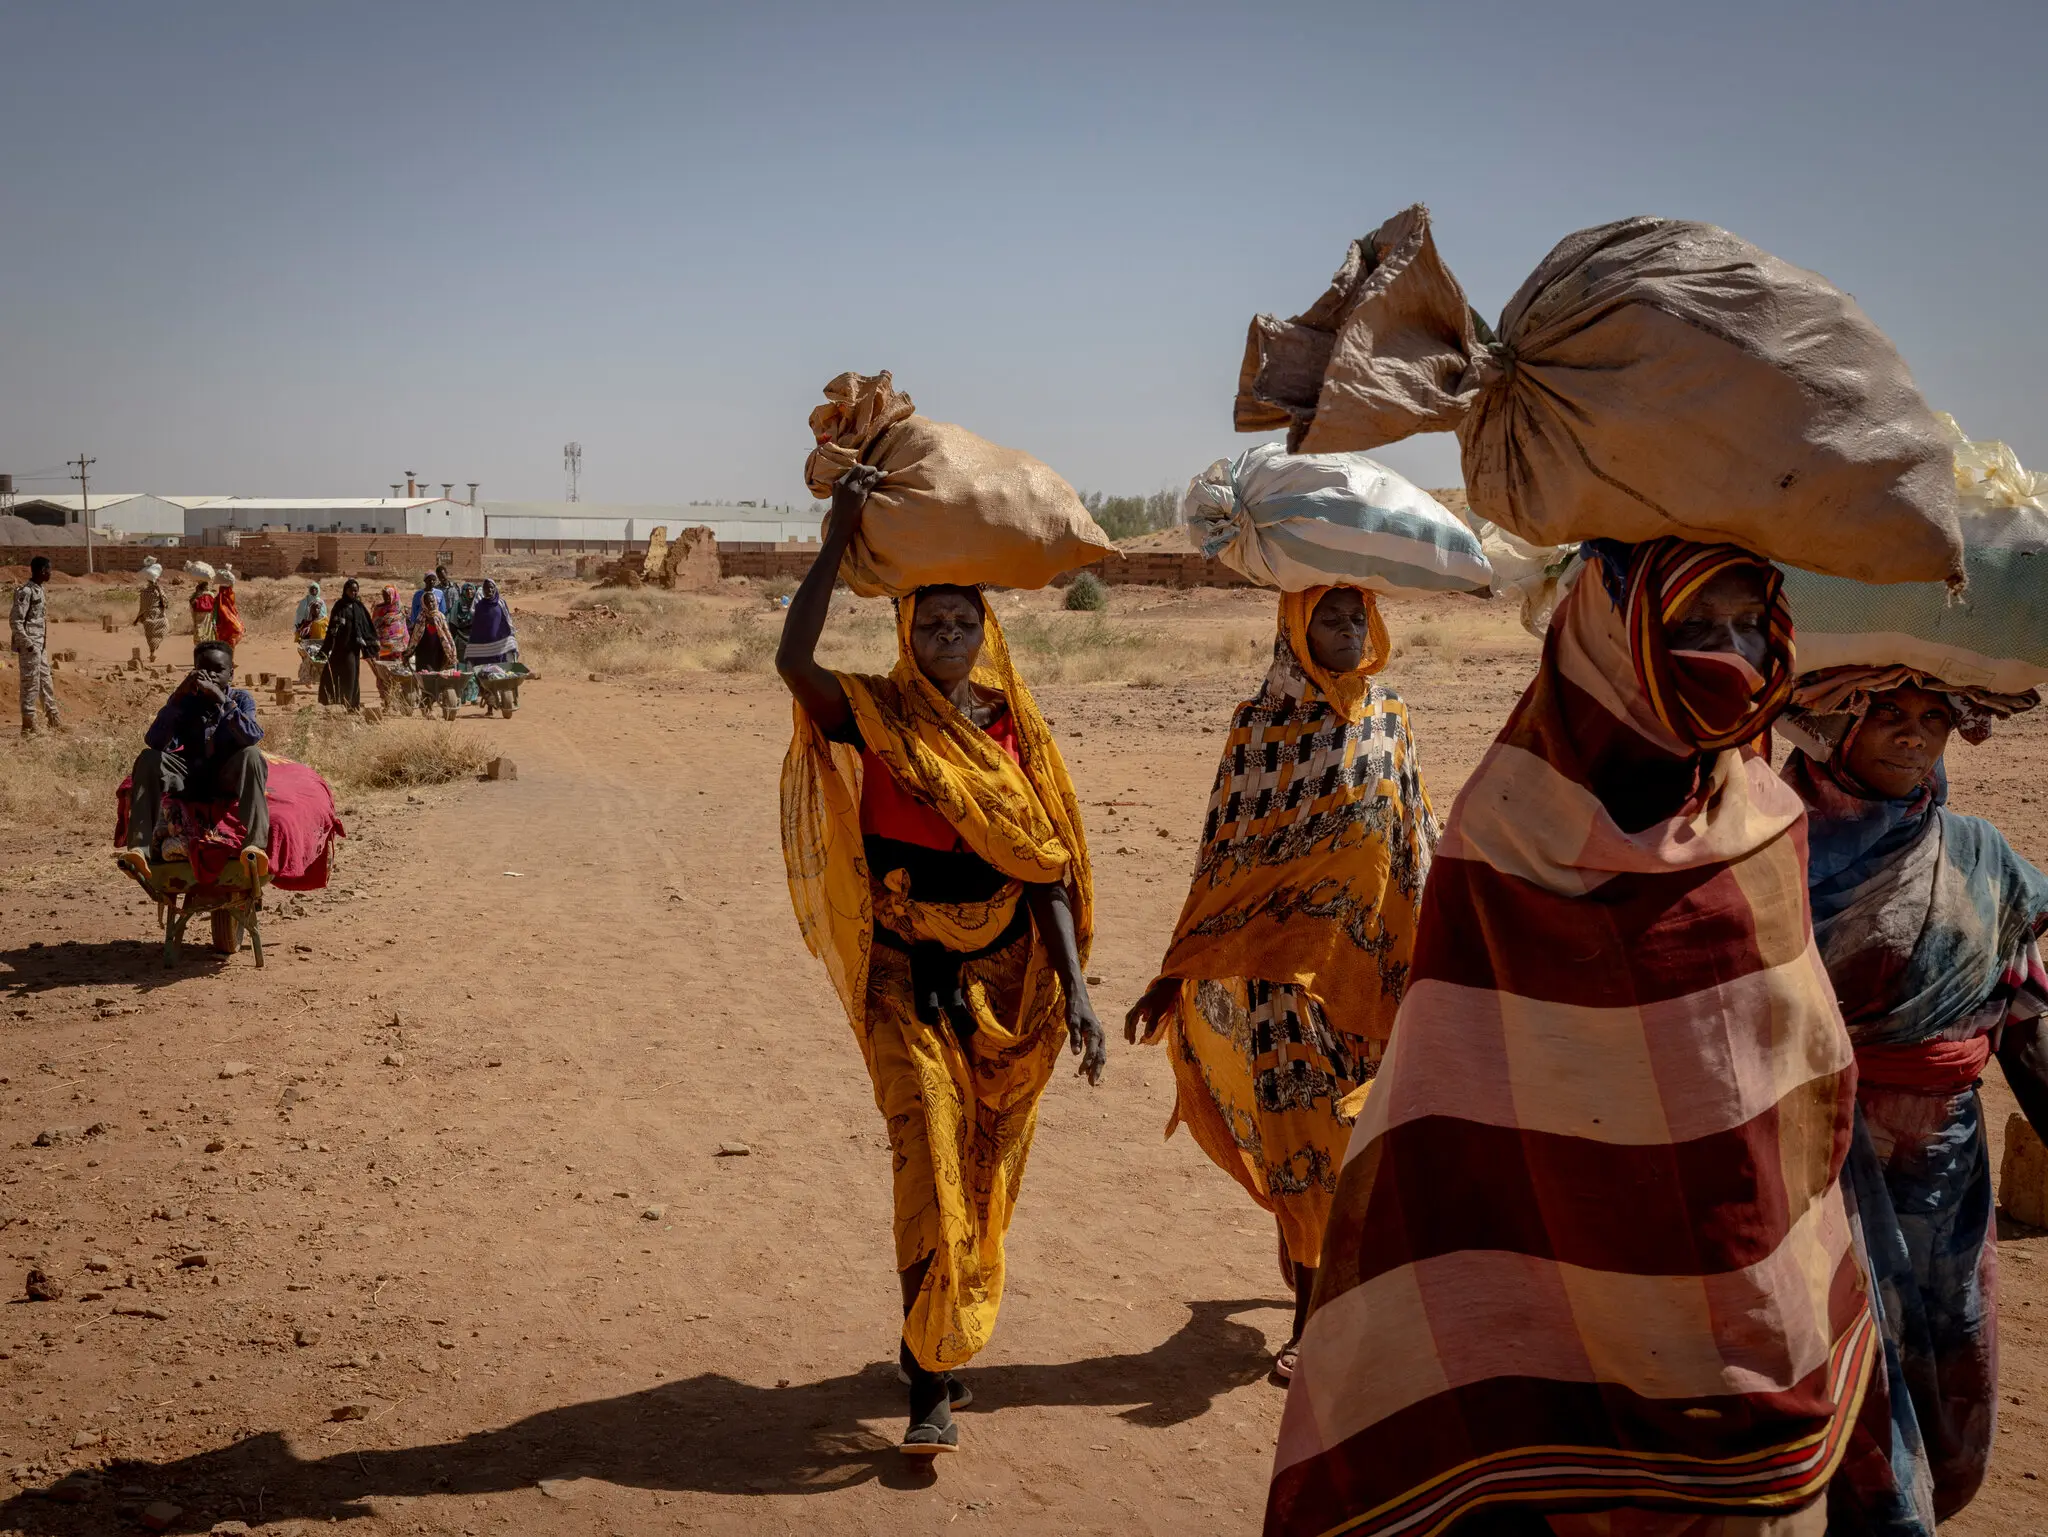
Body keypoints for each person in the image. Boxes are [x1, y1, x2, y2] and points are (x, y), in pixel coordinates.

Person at [1267, 539, 1871, 1537]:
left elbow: (1801, 1083)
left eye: (1746, 626)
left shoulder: (1766, 819)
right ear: (1607, 638)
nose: (1729, 657)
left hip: (1746, 1316)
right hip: (1546, 1289)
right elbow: (1450, 1099)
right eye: (1692, 627)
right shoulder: (1504, 833)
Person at [777, 465, 1107, 1456]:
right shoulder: (874, 714)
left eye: (964, 623)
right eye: (932, 624)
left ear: (986, 630)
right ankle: (928, 1380)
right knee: (926, 1151)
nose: (949, 638)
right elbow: (792, 659)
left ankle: (937, 1328)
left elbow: (1043, 866)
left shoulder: (1011, 729)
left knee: (982, 1166)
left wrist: (1078, 993)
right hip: (905, 976)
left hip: (1003, 981)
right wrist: (837, 533)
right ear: (905, 631)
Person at [1124, 583, 1437, 1382]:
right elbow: (1222, 860)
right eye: (1329, 616)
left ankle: (1320, 1262)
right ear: (1295, 629)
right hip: (1277, 983)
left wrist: (1438, 958)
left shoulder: (1391, 720)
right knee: (1304, 1142)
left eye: (1357, 615)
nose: (1348, 629)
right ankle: (1310, 1324)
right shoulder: (1257, 732)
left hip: (1368, 975)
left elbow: (1415, 841)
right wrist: (1173, 973)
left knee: (1354, 1146)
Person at [1780, 670, 2048, 1536]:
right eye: (1887, 713)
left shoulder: (1978, 854)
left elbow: (2022, 1012)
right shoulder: (1763, 854)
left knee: (1945, 1370)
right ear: (1832, 727)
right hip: (1807, 1169)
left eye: (1934, 716)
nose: (1914, 733)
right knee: (1835, 1377)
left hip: (1945, 1182)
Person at [116, 639, 267, 877]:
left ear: (231, 673)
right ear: (194, 671)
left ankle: (255, 846)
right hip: (190, 777)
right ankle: (139, 849)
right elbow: (155, 741)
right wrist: (178, 696)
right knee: (149, 758)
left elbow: (252, 736)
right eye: (204, 669)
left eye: (218, 670)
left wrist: (222, 701)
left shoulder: (240, 699)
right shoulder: (185, 701)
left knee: (252, 755)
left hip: (225, 778)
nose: (211, 676)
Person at [10, 554, 60, 736]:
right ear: (42, 571)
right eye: (49, 570)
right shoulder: (25, 591)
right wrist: (28, 645)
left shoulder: (39, 589)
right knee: (30, 685)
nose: (51, 573)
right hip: (30, 647)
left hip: (40, 646)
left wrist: (40, 646)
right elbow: (15, 621)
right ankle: (28, 726)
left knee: (46, 682)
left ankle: (54, 720)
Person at [319, 578, 376, 711]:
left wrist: (369, 645)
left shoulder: (359, 607)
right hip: (339, 647)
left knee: (351, 675)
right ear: (345, 590)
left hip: (353, 648)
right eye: (351, 591)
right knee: (334, 675)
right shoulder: (339, 605)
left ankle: (350, 705)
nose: (354, 593)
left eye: (356, 591)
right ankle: (334, 703)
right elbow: (332, 628)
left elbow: (366, 626)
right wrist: (327, 647)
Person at [465, 579, 518, 666]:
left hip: (500, 645)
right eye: (486, 588)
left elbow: (507, 621)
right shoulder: (479, 606)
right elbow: (476, 627)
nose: (489, 590)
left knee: (502, 669)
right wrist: (472, 646)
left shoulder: (501, 603)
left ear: (495, 588)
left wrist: (511, 638)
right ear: (483, 590)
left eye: (491, 587)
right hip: (484, 647)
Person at [409, 586, 458, 672]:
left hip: (437, 653)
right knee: (423, 676)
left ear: (435, 601)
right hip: (422, 654)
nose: (430, 604)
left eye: (432, 601)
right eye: (427, 602)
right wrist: (409, 653)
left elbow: (447, 636)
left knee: (437, 677)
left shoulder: (440, 617)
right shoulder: (421, 617)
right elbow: (415, 637)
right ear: (423, 603)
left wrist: (450, 653)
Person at [132, 562, 170, 663]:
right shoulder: (159, 591)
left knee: (150, 637)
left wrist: (137, 618)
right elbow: (166, 602)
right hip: (159, 615)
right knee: (165, 628)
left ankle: (152, 652)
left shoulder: (144, 592)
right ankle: (153, 652)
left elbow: (142, 607)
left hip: (148, 618)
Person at [372, 584, 410, 660]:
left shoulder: (400, 608)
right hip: (383, 645)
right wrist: (383, 620)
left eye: (388, 596)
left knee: (398, 663)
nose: (386, 598)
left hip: (399, 645)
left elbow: (403, 624)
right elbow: (373, 625)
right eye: (384, 596)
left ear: (393, 595)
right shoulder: (379, 609)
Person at [214, 568, 246, 650]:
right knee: (232, 638)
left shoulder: (219, 598)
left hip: (222, 625)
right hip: (225, 624)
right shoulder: (225, 597)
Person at [449, 581, 477, 663]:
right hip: (461, 637)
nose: (469, 592)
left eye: (471, 589)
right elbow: (453, 621)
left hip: (475, 637)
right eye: (466, 590)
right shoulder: (458, 604)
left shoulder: (478, 603)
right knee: (462, 662)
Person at [189, 575, 217, 644]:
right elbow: (214, 606)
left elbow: (191, 606)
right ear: (205, 587)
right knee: (208, 631)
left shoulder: (195, 595)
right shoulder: (211, 594)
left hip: (198, 616)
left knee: (199, 631)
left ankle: (200, 645)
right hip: (208, 616)